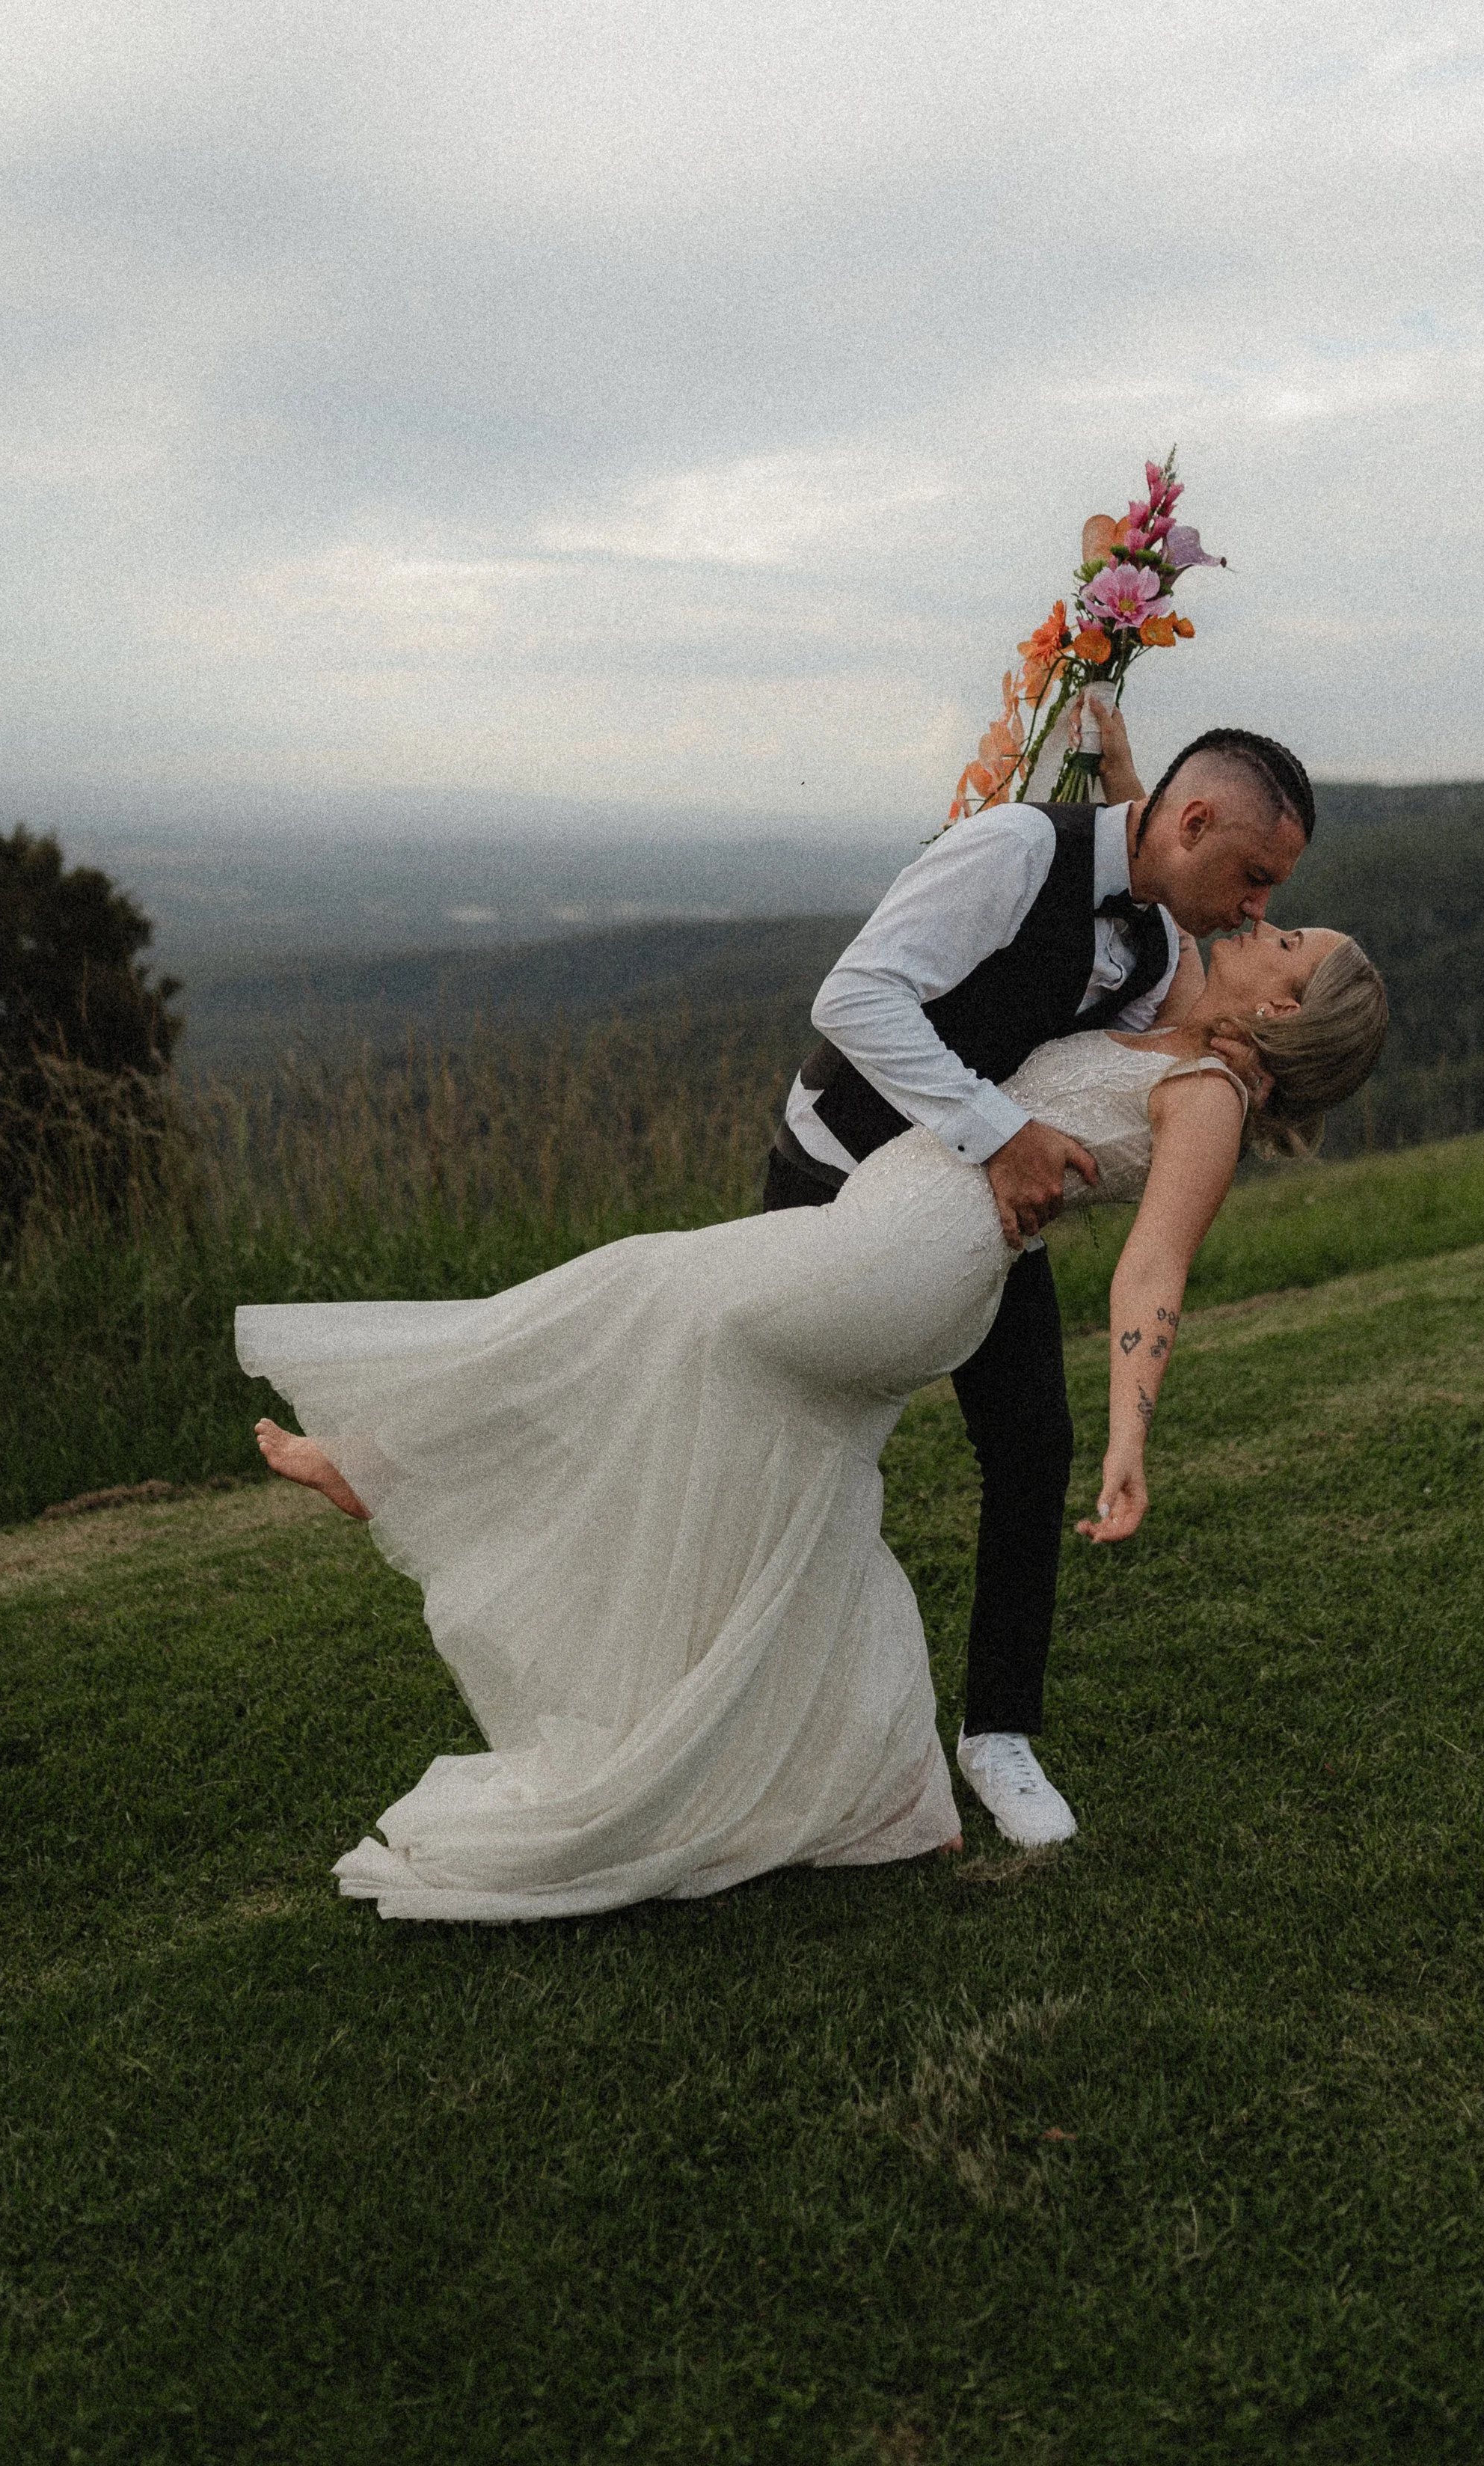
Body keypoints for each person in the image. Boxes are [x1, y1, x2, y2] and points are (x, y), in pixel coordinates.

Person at [242, 880, 1388, 1928]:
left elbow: (1153, 1271)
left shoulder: (1213, 1100)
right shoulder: (1176, 1019)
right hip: (893, 1245)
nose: (1260, 920)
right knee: (790, 1479)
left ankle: (390, 1460)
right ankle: (884, 1796)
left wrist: (1131, 1436)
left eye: (1286, 939)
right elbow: (1158, 837)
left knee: (641, 1292)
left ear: (1285, 1011)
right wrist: (1097, 690)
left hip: (910, 1256)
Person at [762, 723, 1316, 1847]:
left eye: (1276, 896)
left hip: (972, 1220)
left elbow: (1096, 1078)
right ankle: (789, 1728)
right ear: (1195, 823)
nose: (1258, 909)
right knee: (794, 1447)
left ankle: (998, 1734)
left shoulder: (1162, 957)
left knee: (1032, 1442)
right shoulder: (1014, 847)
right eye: (1256, 878)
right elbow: (855, 999)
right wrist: (998, 1131)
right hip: (833, 1176)